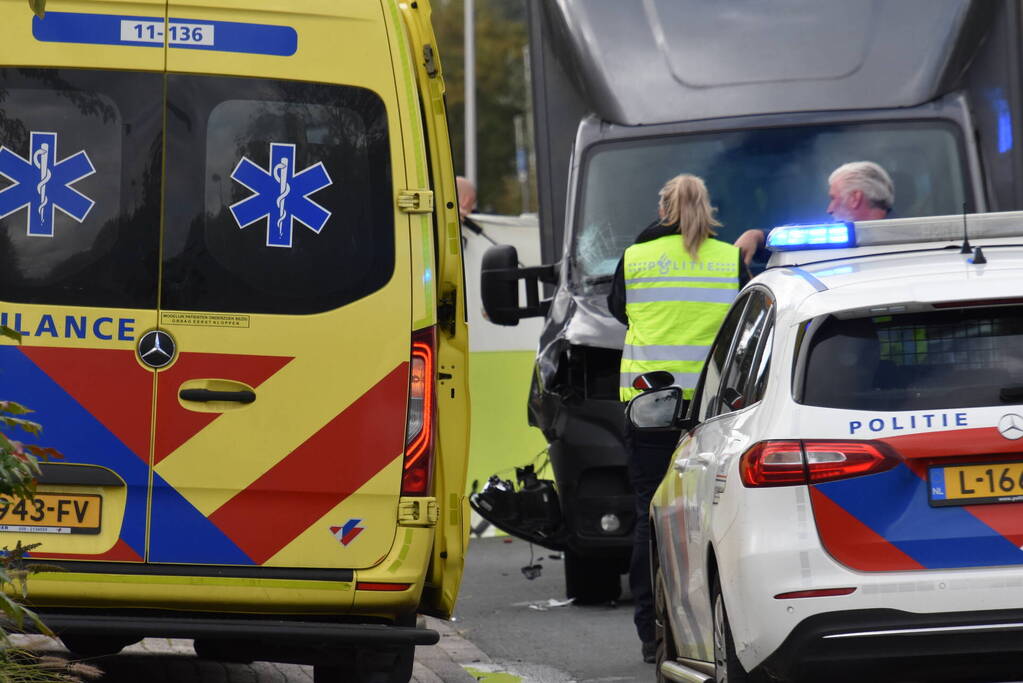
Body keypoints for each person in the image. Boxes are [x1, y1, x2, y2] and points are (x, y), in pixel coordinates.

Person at [608, 174, 749, 663]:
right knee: (711, 519)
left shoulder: (636, 257)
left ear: (663, 208)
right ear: (707, 207)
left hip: (651, 409)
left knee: (652, 516)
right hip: (713, 411)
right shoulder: (730, 258)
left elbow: (619, 311)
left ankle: (653, 633)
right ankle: (714, 626)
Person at [734, 160, 895, 264]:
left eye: (833, 198)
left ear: (855, 198)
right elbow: (794, 242)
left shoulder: (833, 240)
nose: (829, 209)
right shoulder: (913, 239)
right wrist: (757, 237)